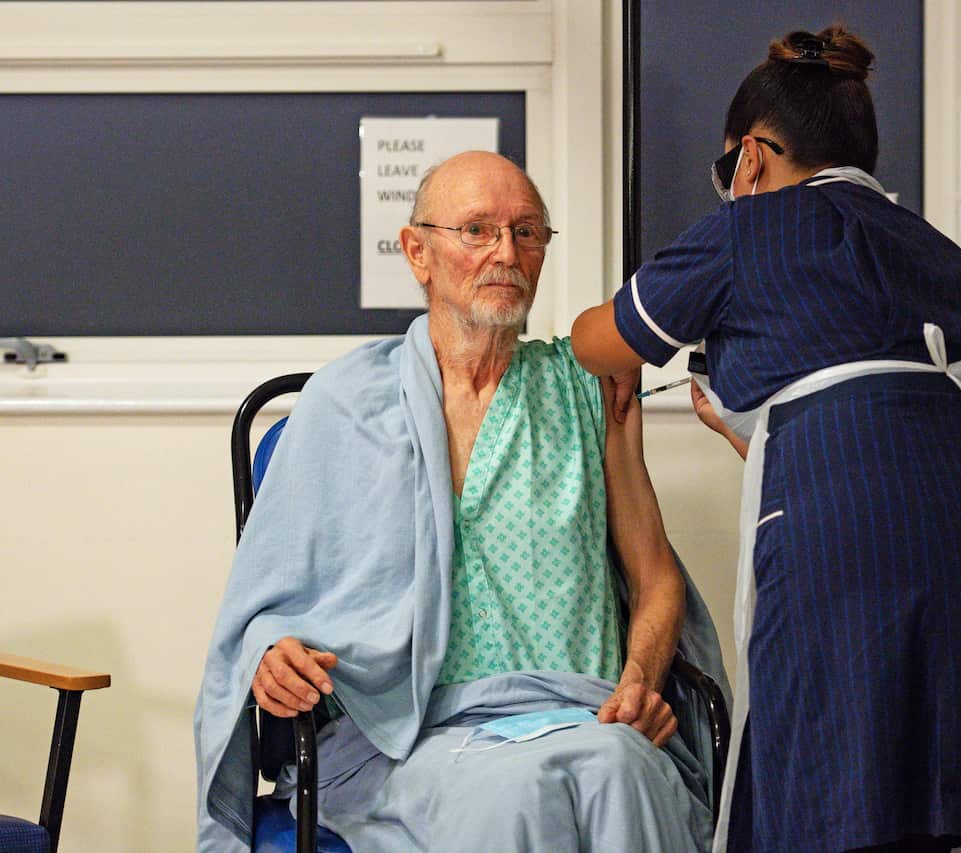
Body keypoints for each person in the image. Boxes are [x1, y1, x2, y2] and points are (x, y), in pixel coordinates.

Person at [572, 26, 961, 853]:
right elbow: (899, 421)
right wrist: (752, 429)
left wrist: (607, 355)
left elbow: (601, 341)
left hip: (853, 532)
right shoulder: (935, 249)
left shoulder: (746, 232)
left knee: (829, 784)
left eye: (728, 169)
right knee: (953, 789)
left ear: (753, 159)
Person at [195, 151, 724, 851]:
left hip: (582, 715)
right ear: (418, 251)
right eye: (477, 230)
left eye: (527, 232)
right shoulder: (341, 405)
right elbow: (264, 608)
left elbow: (656, 578)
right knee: (519, 791)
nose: (506, 252)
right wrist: (270, 653)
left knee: (623, 767)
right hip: (406, 736)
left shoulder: (590, 386)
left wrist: (638, 681)